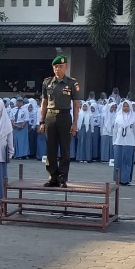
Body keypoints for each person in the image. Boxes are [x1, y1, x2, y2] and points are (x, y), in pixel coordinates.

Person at [39, 55, 81, 188]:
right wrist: (42, 121)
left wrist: (75, 123)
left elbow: (75, 104)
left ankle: (62, 178)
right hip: (50, 117)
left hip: (64, 116)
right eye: (56, 67)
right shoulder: (47, 82)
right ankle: (52, 177)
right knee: (50, 148)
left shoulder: (71, 83)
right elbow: (44, 103)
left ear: (66, 67)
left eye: (61, 67)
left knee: (65, 149)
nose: (58, 69)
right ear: (53, 68)